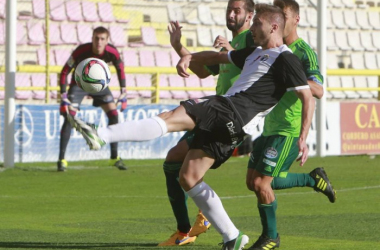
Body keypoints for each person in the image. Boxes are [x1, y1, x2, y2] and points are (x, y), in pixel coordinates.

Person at [69, 4, 315, 249]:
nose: (252, 28)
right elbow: (218, 57)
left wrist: (302, 138)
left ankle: (101, 135)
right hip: (235, 127)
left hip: (229, 110)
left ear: (273, 26)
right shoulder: (254, 52)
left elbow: (307, 97)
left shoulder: (286, 58)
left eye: (256, 24)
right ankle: (233, 237)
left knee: (169, 117)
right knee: (188, 177)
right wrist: (188, 55)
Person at [159, 0, 255, 246]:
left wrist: (230, 50)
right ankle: (197, 223)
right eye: (229, 10)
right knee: (175, 165)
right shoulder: (228, 48)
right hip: (215, 113)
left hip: (230, 118)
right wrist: (178, 46)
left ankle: (191, 230)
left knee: (178, 166)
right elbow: (200, 68)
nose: (231, 14)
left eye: (237, 10)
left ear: (250, 15)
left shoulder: (253, 40)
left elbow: (254, 61)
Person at [245, 1, 336, 249]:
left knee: (263, 183)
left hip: (288, 130)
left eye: (284, 15)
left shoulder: (302, 52)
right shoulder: (272, 48)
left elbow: (318, 90)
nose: (280, 20)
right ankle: (312, 179)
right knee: (254, 182)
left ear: (295, 19)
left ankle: (271, 238)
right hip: (269, 126)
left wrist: (296, 79)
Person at [57, 26, 127, 172]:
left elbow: (120, 68)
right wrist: (63, 96)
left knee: (114, 115)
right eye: (96, 38)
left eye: (102, 39)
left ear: (107, 40)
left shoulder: (112, 52)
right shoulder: (81, 51)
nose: (99, 42)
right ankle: (61, 160)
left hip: (99, 86)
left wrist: (123, 92)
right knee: (70, 117)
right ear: (92, 38)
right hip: (78, 83)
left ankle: (114, 157)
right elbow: (64, 72)